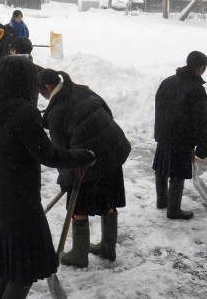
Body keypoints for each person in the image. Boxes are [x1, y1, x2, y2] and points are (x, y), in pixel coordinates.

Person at [0, 55, 95, 299]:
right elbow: (48, 154)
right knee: (27, 267)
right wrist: (83, 156)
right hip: (19, 203)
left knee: (4, 263)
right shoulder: (24, 112)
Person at [37, 68, 131, 268]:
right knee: (109, 199)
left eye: (41, 92)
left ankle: (79, 255)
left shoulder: (56, 112)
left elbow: (61, 154)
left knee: (78, 206)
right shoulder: (81, 89)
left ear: (48, 87)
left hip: (88, 160)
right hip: (113, 149)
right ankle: (108, 247)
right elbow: (107, 112)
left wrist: (66, 181)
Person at [153, 51, 207, 220]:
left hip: (164, 135)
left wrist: (160, 130)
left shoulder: (167, 82)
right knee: (177, 173)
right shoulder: (196, 89)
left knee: (161, 168)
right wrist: (203, 145)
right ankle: (173, 210)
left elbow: (158, 107)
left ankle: (162, 201)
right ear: (201, 67)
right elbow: (202, 121)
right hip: (182, 138)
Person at [9, 37, 42, 105]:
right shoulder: (37, 70)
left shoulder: (6, 69)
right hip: (30, 109)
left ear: (14, 51)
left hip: (10, 109)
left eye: (11, 50)